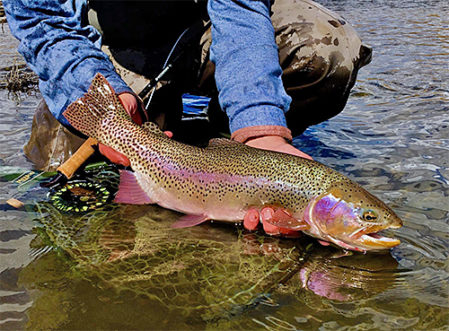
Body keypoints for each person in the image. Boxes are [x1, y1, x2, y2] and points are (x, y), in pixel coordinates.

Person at [3, 0, 371, 235]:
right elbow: (42, 20)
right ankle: (178, 151)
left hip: (207, 29)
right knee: (56, 157)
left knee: (325, 49)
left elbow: (239, 9)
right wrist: (93, 84)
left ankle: (219, 153)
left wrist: (260, 130)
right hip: (111, 48)